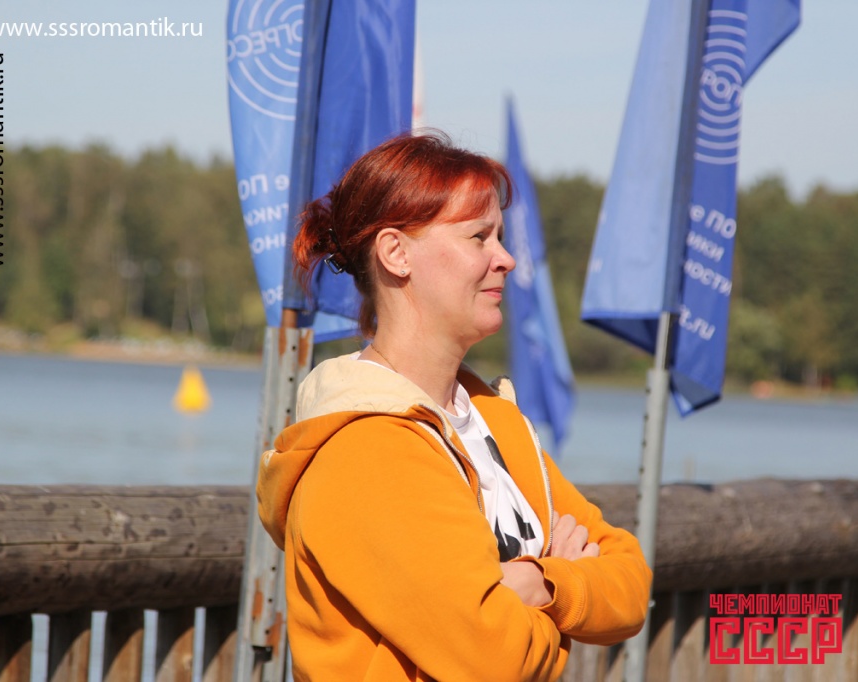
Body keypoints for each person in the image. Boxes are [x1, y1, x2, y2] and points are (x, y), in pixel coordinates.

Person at [257, 132, 652, 681]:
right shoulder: (366, 449)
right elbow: (495, 659)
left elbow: (631, 582)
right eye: (479, 237)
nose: (506, 259)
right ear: (396, 253)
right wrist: (568, 586)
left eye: (500, 237)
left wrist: (541, 583)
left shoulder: (494, 421)